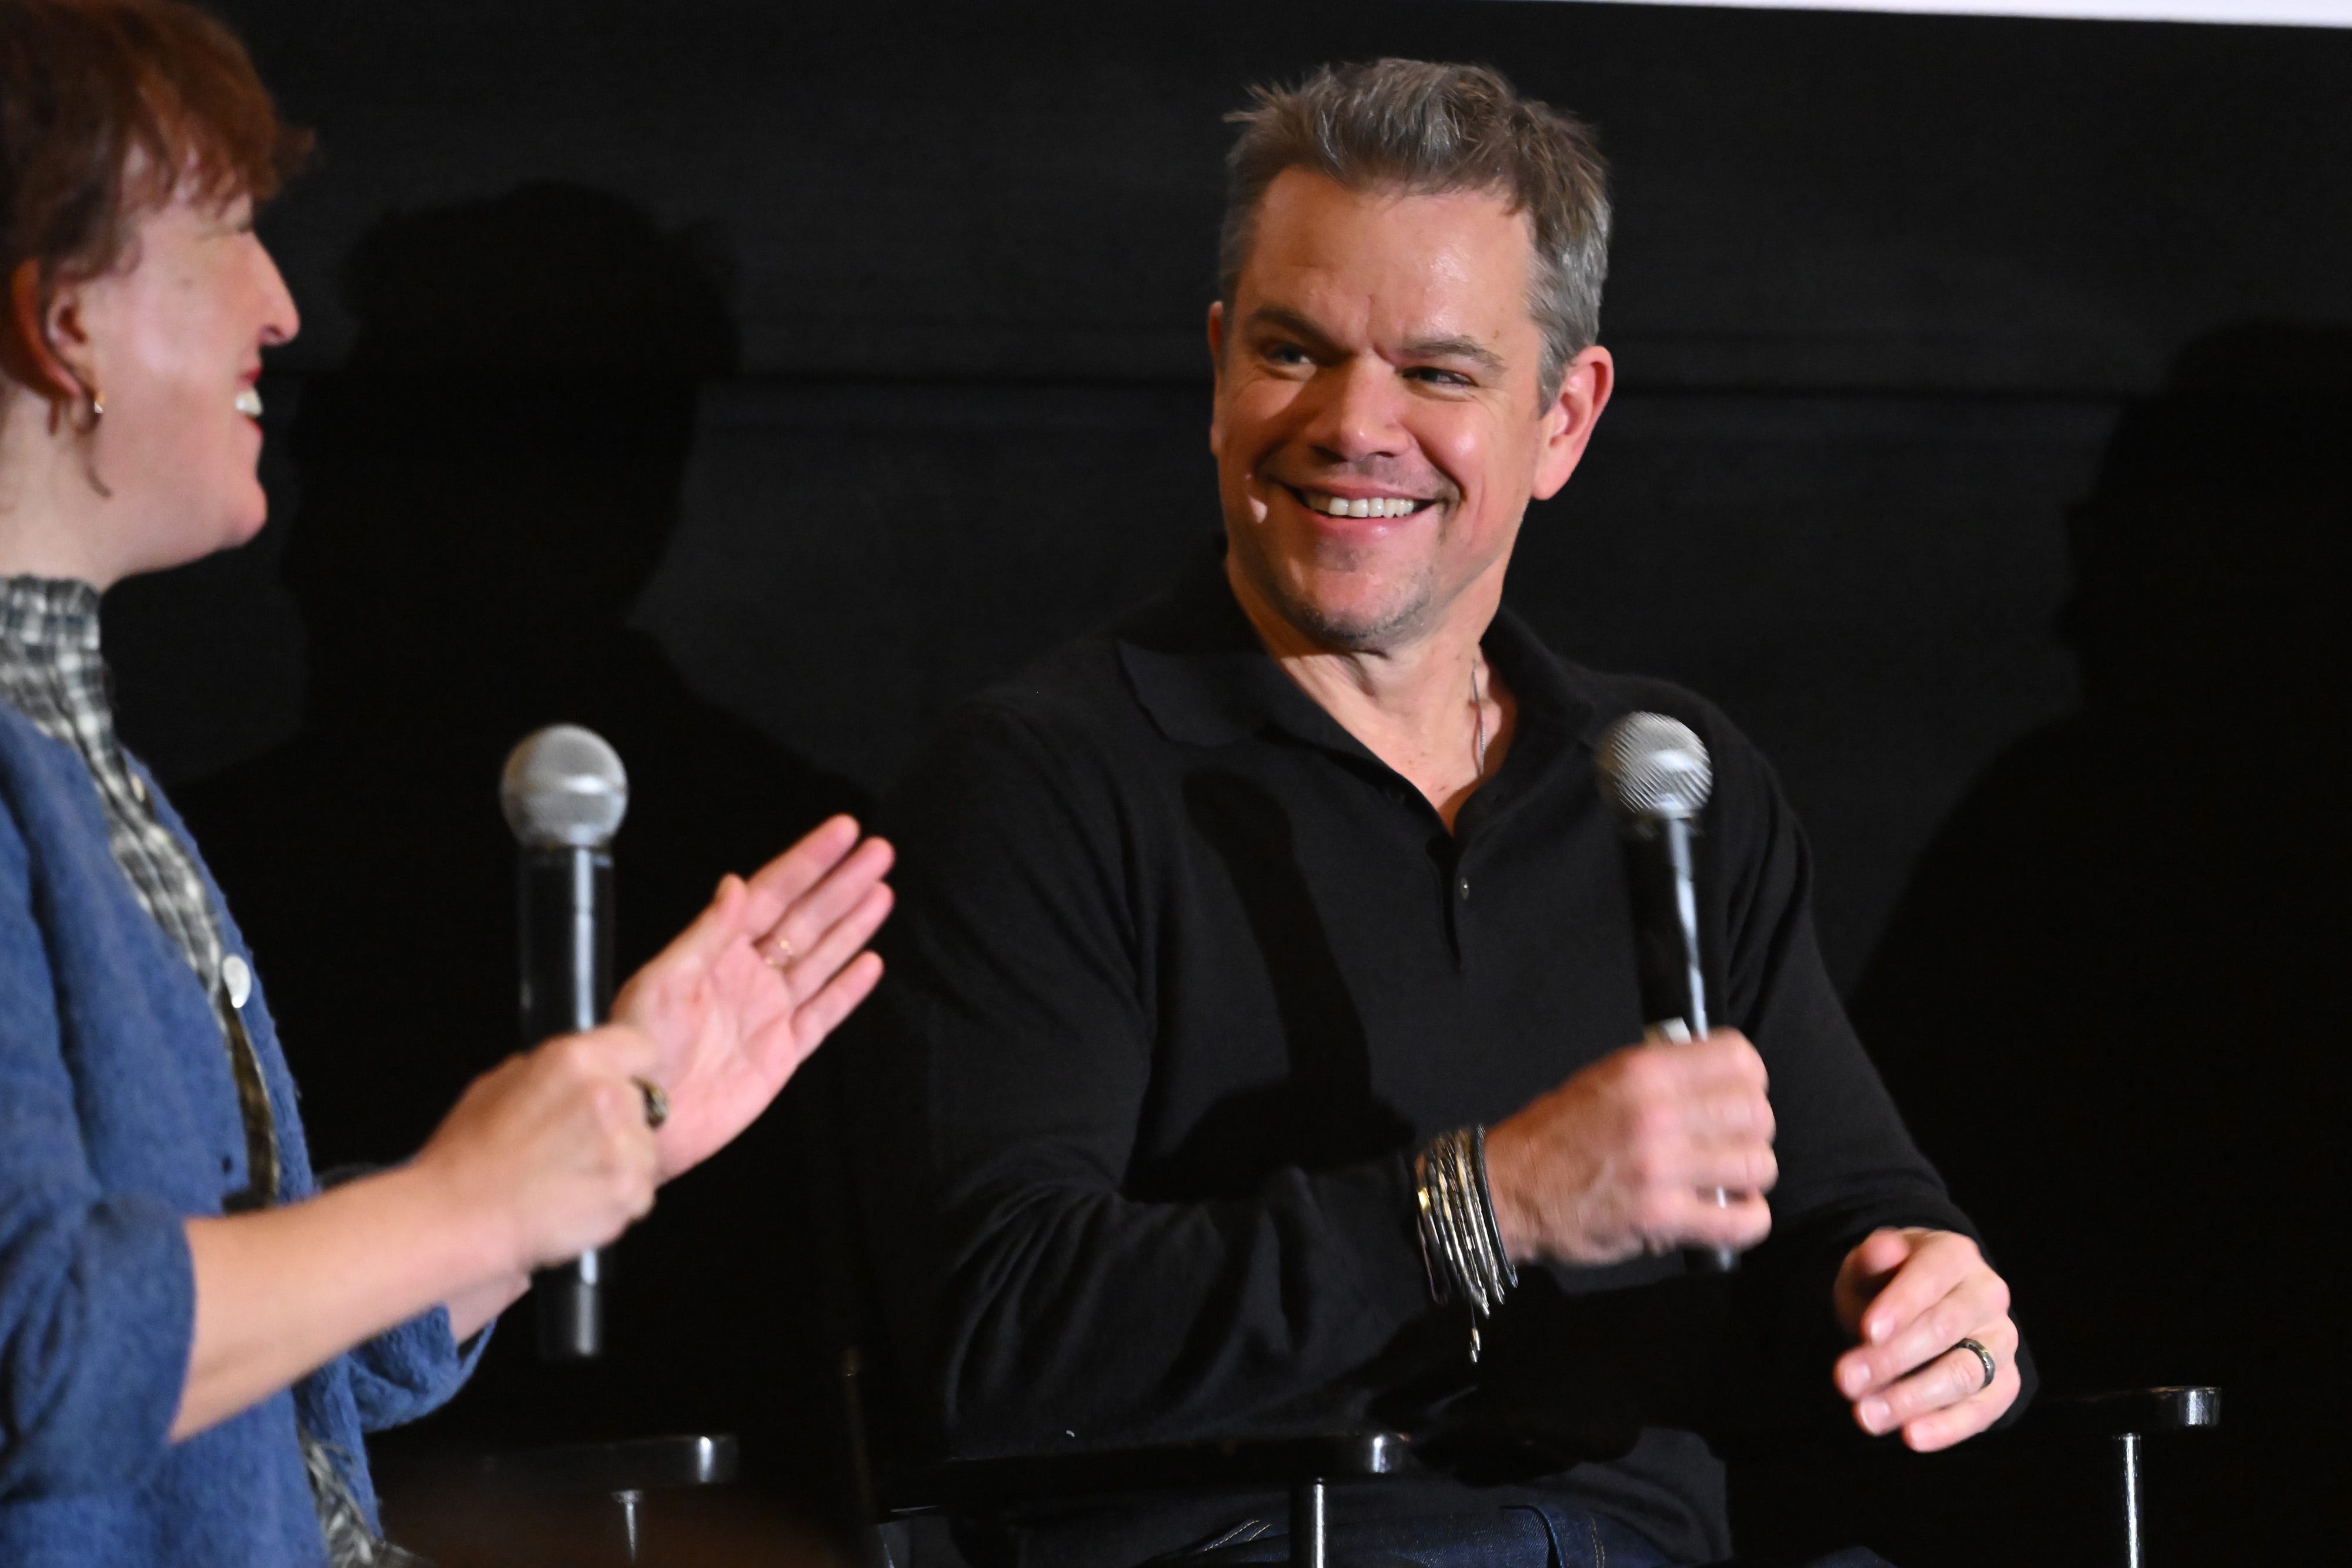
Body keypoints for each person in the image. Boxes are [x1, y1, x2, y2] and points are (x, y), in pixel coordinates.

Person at [849, 59, 2023, 1567]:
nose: (1352, 424)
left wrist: (1927, 1302)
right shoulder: (1040, 782)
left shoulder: (1665, 782)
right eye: (1292, 351)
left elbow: (1853, 1211)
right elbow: (997, 1335)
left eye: (1438, 372)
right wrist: (1482, 1201)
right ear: (1217, 371)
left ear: (1562, 418)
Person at [0, 3, 892, 1564]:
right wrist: (467, 1202)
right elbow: (44, 1352)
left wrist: (605, 1121)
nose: (279, 309)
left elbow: (247, 1370)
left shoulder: (90, 770)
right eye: (222, 228)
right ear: (61, 320)